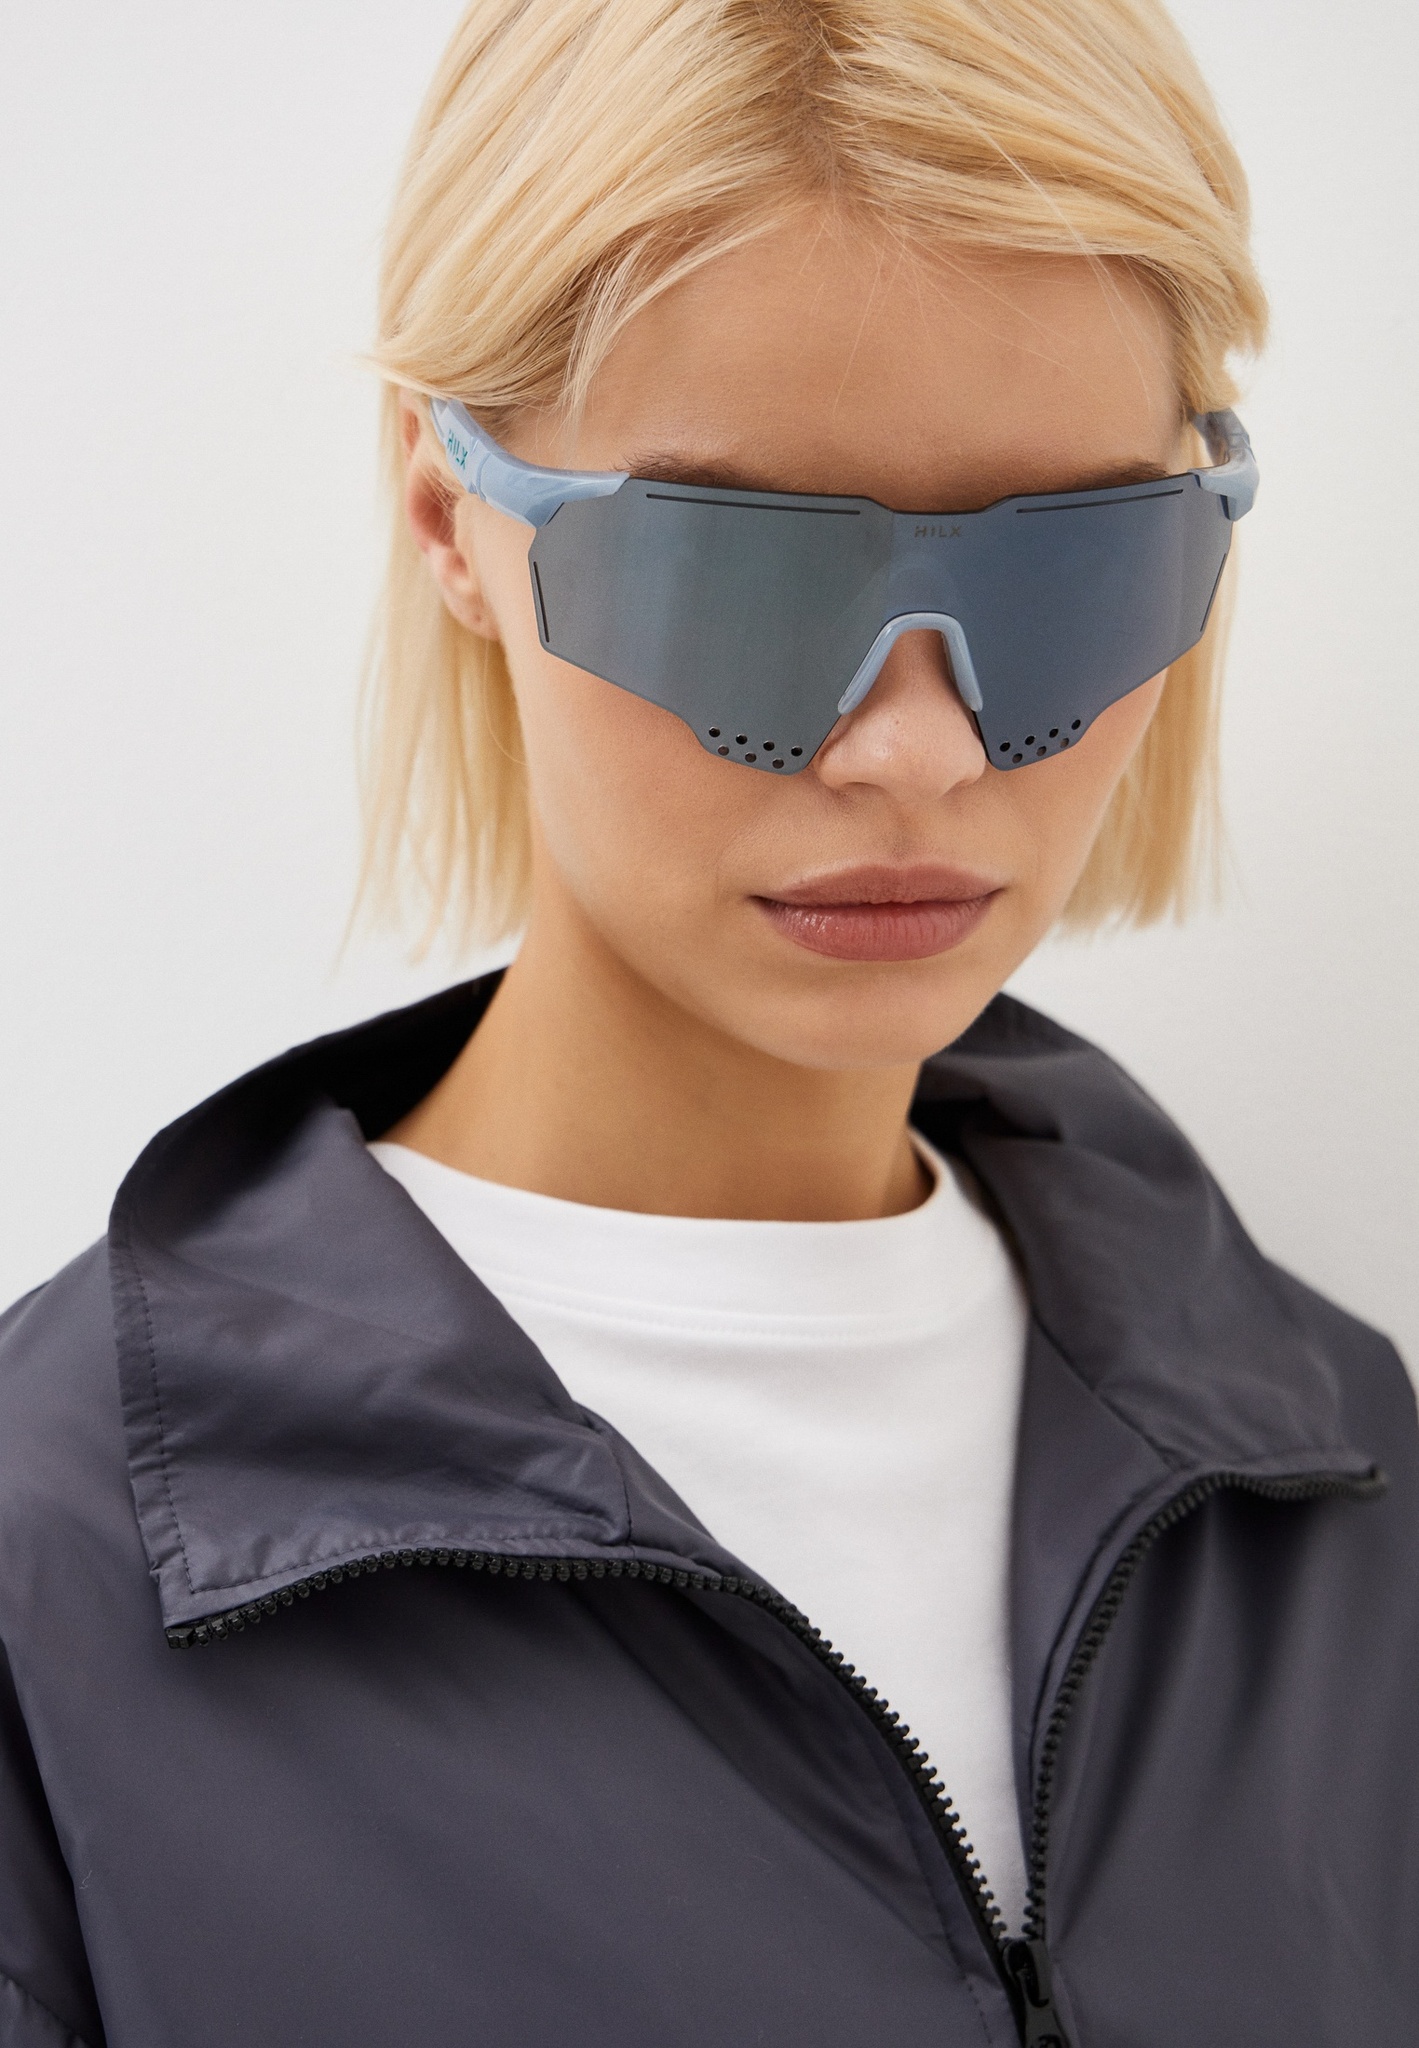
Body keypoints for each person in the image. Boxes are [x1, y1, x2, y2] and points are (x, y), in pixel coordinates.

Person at [0, 1, 1413, 2042]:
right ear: (447, 517)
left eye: (1073, 566)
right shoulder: (57, 1580)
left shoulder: (1339, 1470)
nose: (915, 749)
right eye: (738, 571)